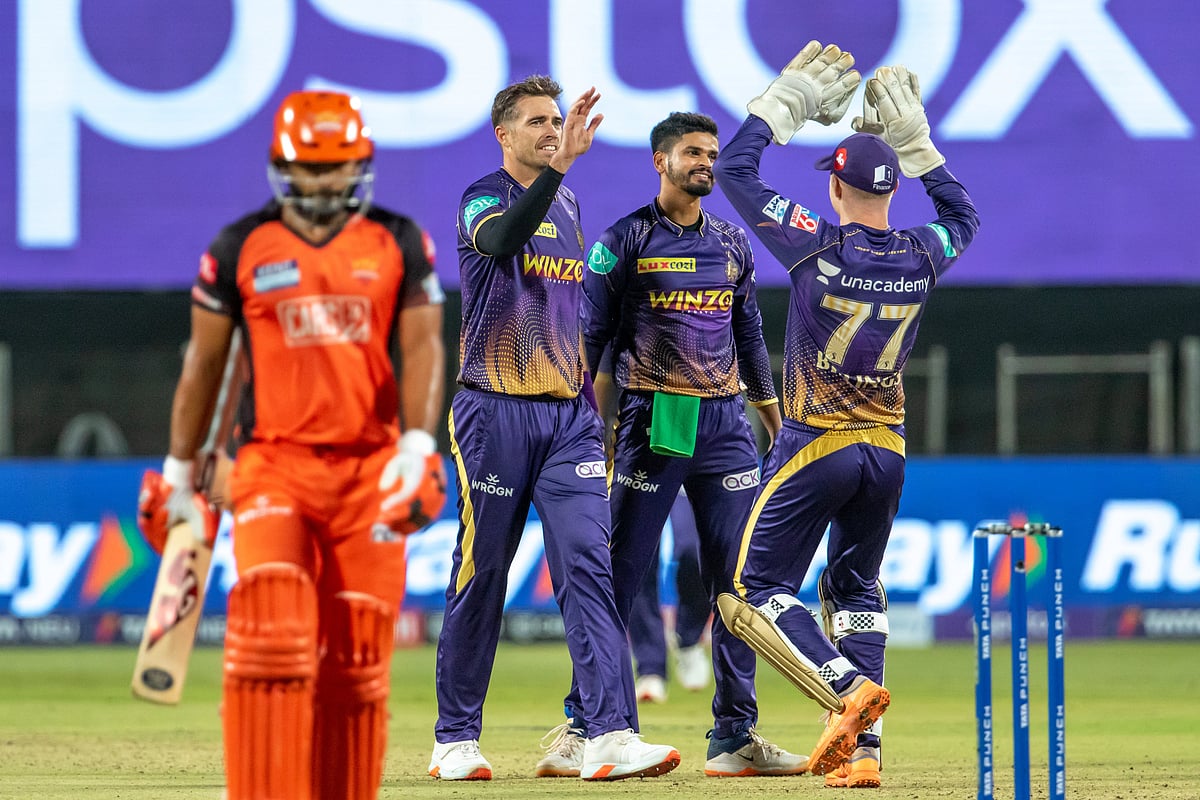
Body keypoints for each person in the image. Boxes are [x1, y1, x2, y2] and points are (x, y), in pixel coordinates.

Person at [137, 90, 448, 800]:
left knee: (357, 656)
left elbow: (425, 344)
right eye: (310, 169)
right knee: (272, 630)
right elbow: (207, 367)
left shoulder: (399, 239)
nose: (325, 183)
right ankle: (258, 784)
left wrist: (418, 448)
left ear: (360, 166)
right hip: (273, 464)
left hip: (370, 469)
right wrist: (180, 473)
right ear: (283, 167)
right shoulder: (240, 246)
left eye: (339, 168)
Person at [712, 43, 980, 785]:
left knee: (748, 594)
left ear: (836, 187)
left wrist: (783, 103)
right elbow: (963, 213)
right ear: (889, 188)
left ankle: (845, 690)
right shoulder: (923, 250)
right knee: (856, 590)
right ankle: (867, 756)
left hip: (816, 446)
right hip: (887, 452)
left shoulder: (815, 242)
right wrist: (920, 148)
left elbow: (735, 170)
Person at [538, 110, 806, 779]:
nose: (706, 163)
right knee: (621, 577)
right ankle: (586, 725)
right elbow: (589, 345)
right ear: (661, 161)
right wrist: (586, 430)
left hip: (724, 428)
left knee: (737, 585)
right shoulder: (623, 240)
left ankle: (735, 737)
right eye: (693, 153)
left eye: (713, 153)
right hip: (655, 420)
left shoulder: (732, 243)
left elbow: (749, 337)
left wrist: (773, 418)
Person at [429, 75, 680, 782]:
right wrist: (561, 165)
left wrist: (592, 408)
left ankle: (608, 733)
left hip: (567, 417)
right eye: (535, 122)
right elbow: (505, 243)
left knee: (589, 569)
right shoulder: (484, 196)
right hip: (493, 410)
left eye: (554, 120)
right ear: (502, 134)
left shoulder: (567, 203)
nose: (550, 130)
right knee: (483, 574)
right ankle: (455, 739)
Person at [629, 489, 712, 703]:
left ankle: (689, 638)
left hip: (688, 458)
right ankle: (650, 668)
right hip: (641, 462)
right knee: (637, 558)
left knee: (694, 551)